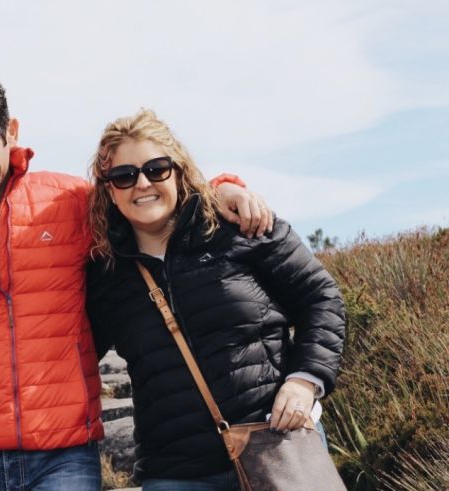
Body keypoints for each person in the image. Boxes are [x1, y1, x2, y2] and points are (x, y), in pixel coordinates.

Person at [0, 70, 272, 491]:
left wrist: (221, 189)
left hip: (64, 459)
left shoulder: (72, 202)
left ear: (11, 131)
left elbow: (150, 196)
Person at [85, 109, 346, 490]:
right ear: (109, 188)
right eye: (125, 176)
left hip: (276, 444)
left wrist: (305, 381)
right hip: (176, 471)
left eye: (156, 169)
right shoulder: (106, 275)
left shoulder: (241, 228)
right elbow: (73, 351)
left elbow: (321, 298)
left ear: (178, 171)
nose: (142, 184)